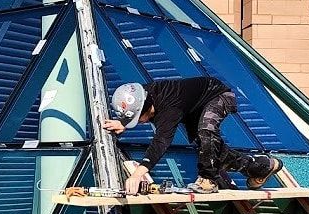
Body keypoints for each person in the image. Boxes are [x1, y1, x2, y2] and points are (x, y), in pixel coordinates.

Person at [103, 78, 283, 194]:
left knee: (207, 131)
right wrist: (123, 123)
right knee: (210, 151)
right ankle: (261, 166)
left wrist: (137, 174)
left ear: (147, 107)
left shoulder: (169, 109)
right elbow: (133, 106)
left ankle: (208, 180)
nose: (140, 123)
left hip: (218, 95)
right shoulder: (141, 93)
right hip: (193, 109)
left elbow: (161, 143)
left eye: (138, 119)